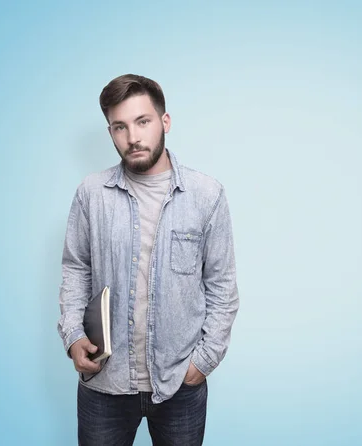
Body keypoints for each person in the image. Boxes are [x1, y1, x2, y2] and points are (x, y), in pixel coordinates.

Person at [57, 74, 239, 446]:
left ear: (165, 122)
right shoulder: (92, 194)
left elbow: (222, 287)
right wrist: (73, 335)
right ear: (110, 131)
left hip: (179, 386)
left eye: (143, 122)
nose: (133, 137)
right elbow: (76, 268)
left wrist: (203, 362)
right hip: (104, 384)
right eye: (119, 127)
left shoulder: (206, 195)